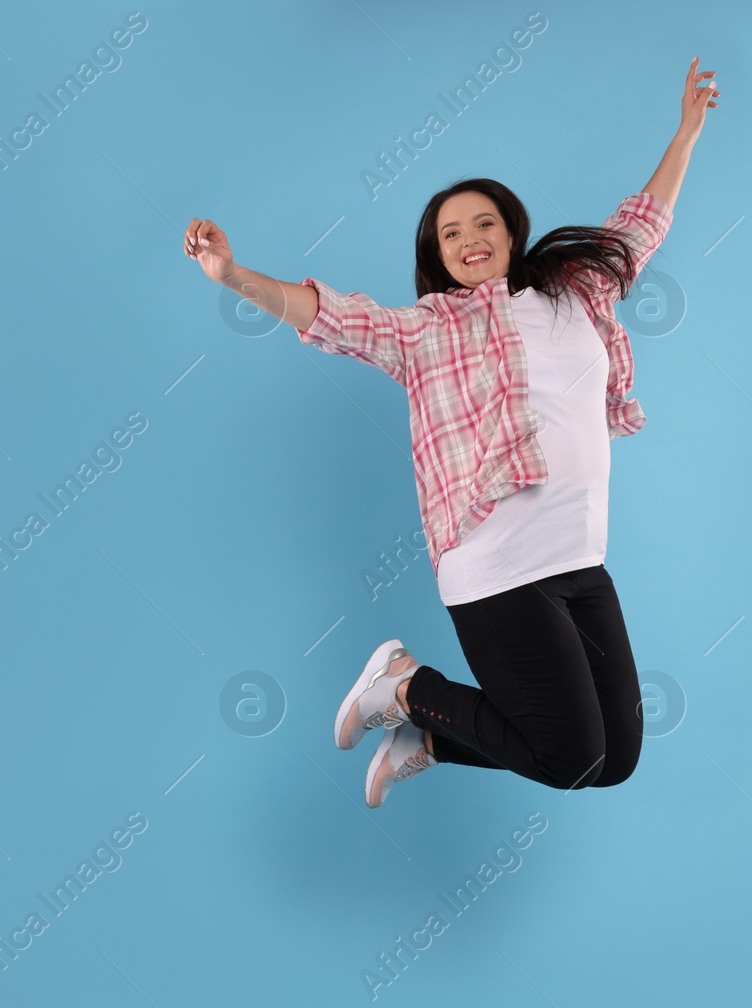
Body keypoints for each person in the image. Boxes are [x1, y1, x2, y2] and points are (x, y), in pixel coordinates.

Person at [186, 58, 718, 808]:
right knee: (569, 756)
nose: (469, 239)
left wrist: (687, 131)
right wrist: (233, 275)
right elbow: (330, 317)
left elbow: (643, 225)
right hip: (497, 567)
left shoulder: (576, 286)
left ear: (511, 233)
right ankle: (405, 686)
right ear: (435, 254)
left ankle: (430, 737)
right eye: (450, 232)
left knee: (616, 759)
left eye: (484, 223)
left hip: (581, 556)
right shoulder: (425, 331)